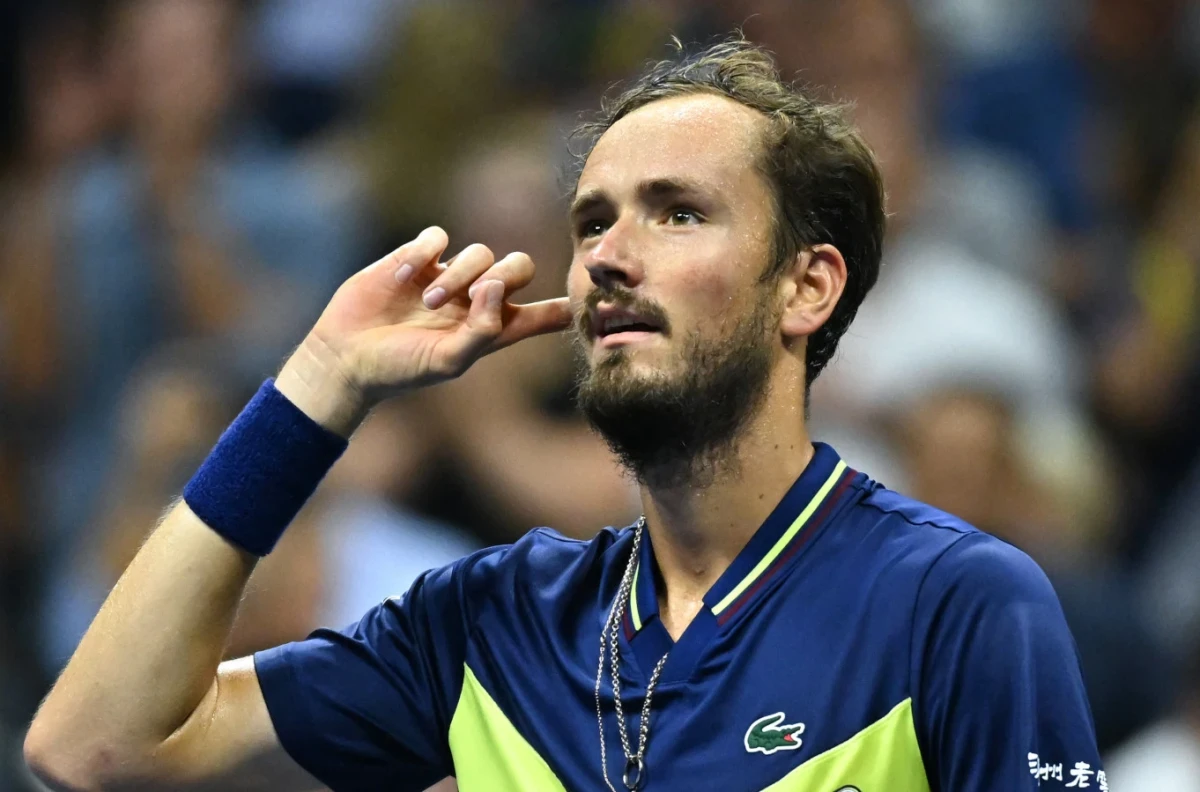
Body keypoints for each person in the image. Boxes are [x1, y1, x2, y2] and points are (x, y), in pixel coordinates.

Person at [25, 39, 1103, 791]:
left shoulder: (956, 605)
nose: (608, 257)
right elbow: (93, 748)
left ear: (806, 286)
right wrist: (319, 383)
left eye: (678, 213)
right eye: (591, 223)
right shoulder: (486, 623)